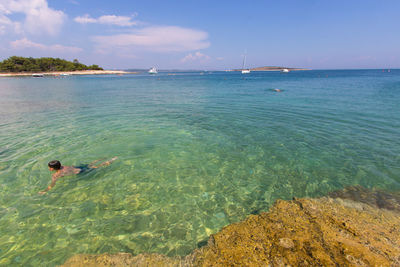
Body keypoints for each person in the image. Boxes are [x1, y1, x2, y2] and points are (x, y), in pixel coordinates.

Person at [39, 157, 117, 195]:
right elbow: (66, 170)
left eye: (50, 167)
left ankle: (110, 161)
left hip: (80, 172)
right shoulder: (63, 166)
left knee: (97, 167)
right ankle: (102, 158)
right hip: (78, 167)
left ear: (52, 168)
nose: (49, 168)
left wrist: (44, 191)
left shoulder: (56, 175)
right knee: (90, 164)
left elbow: (51, 185)